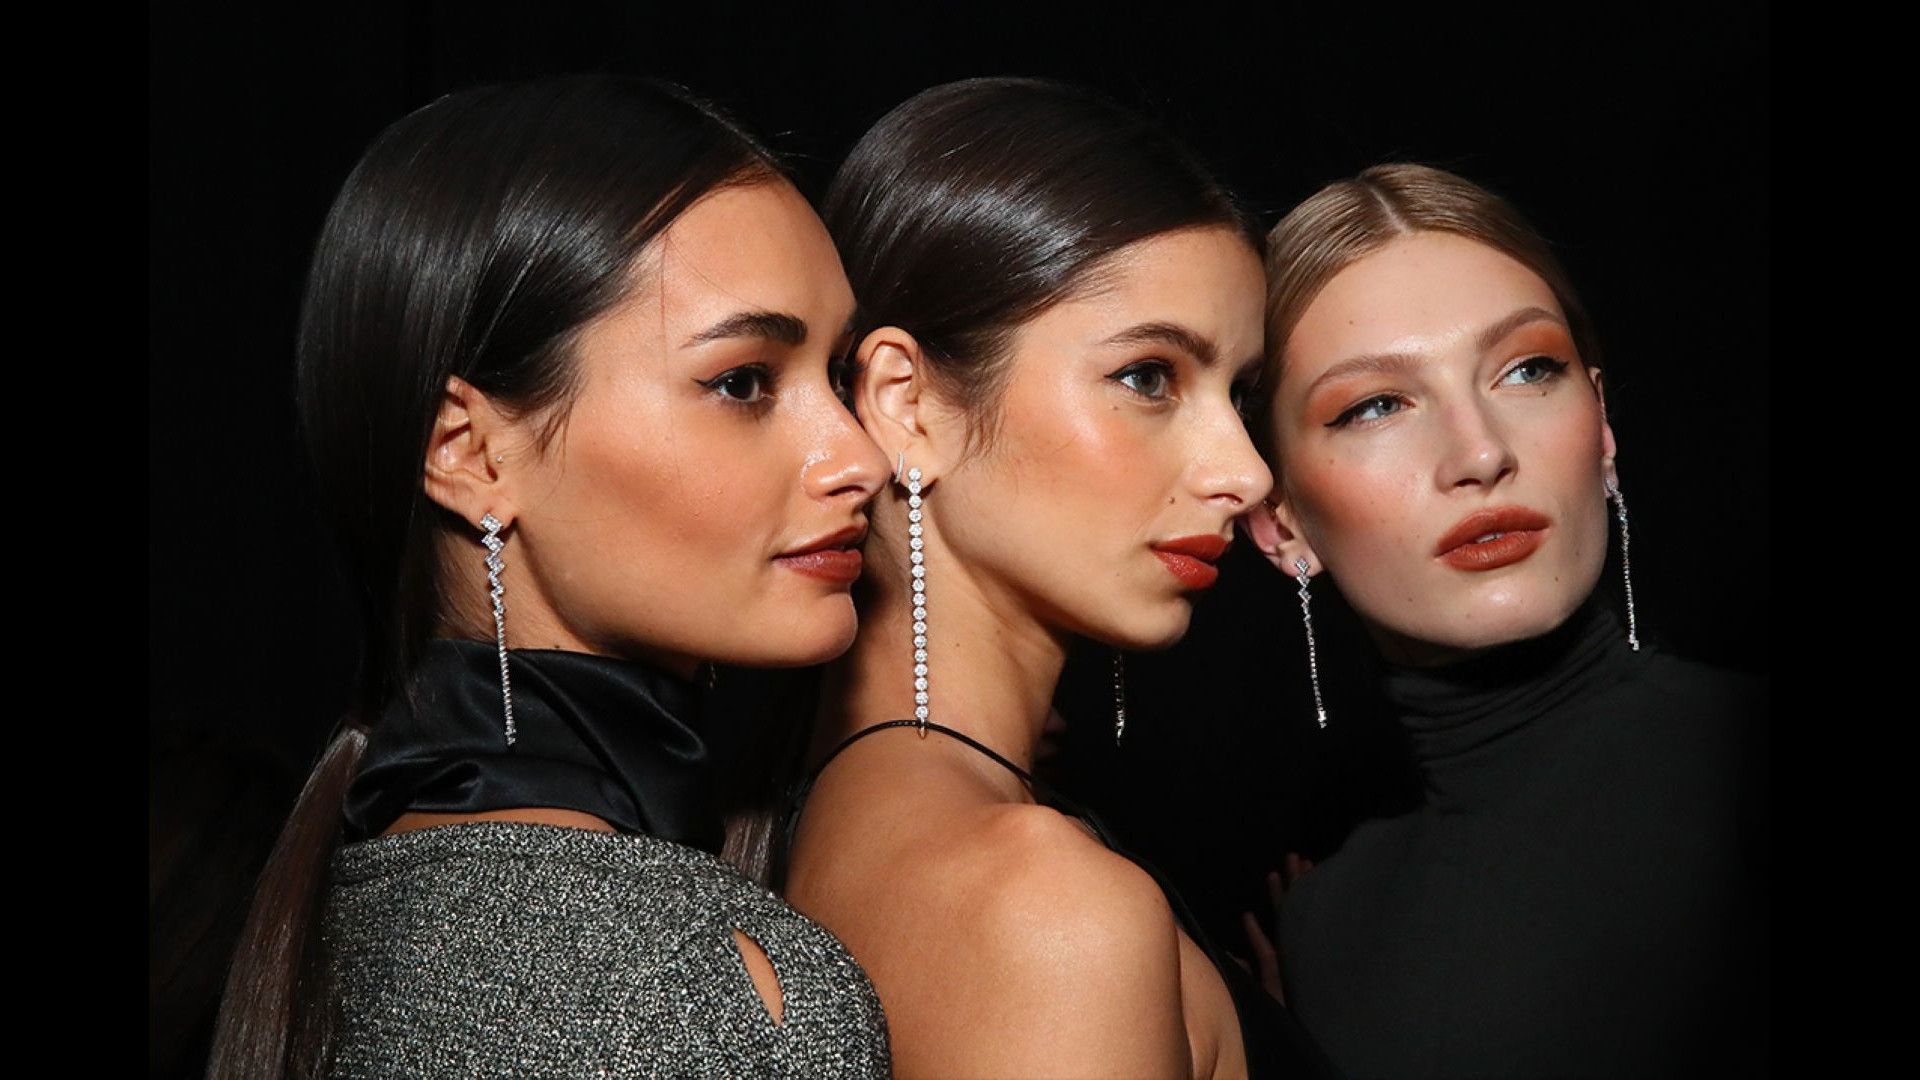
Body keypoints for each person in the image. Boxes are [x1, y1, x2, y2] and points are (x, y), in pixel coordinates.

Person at [209, 75, 892, 1078]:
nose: (859, 456)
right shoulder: (700, 985)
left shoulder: (341, 906)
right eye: (742, 382)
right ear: (471, 454)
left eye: (836, 378)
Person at [783, 78, 1312, 1077]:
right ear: (907, 404)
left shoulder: (842, 832)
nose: (1244, 472)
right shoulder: (1043, 907)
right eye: (1150, 376)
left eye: (1237, 392)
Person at [1246, 162, 1767, 1076]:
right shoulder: (1331, 926)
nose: (1480, 452)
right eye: (1375, 405)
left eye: (1528, 370)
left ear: (1601, 425)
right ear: (1281, 522)